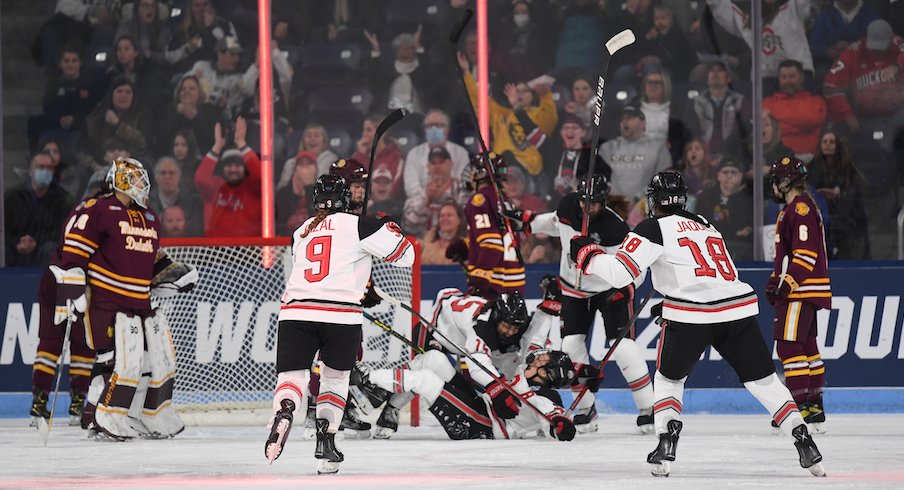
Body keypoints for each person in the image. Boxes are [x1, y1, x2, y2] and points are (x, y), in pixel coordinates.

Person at [569, 171, 825, 478]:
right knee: (765, 381)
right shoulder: (705, 223)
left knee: (668, 381)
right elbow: (712, 271)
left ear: (654, 200)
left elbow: (620, 274)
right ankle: (803, 439)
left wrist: (586, 253)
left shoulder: (652, 227)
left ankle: (666, 442)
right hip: (737, 309)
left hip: (690, 315)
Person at [264, 174, 415, 475]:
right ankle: (326, 443)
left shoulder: (301, 230)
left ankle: (285, 410)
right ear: (346, 198)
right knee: (333, 381)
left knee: (292, 377)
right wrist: (388, 226)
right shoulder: (361, 224)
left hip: (295, 311)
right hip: (340, 315)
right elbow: (405, 256)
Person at [55, 158, 197, 440]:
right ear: (118, 180)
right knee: (111, 358)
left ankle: (138, 414)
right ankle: (96, 416)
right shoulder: (99, 208)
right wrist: (70, 291)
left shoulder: (150, 216)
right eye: (133, 179)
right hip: (106, 299)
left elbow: (151, 259)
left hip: (139, 301)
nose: (141, 185)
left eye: (141, 178)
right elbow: (73, 254)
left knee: (148, 360)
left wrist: (173, 273)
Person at [504, 173, 655, 434]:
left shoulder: (614, 228)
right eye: (584, 202)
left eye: (594, 203)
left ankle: (649, 409)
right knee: (571, 347)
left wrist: (627, 288)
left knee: (623, 348)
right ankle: (586, 409)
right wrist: (526, 222)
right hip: (573, 290)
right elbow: (554, 224)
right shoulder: (568, 206)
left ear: (602, 201)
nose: (587, 208)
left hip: (608, 290)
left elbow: (636, 267)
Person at [358, 287, 572, 442]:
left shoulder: (544, 397)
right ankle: (380, 399)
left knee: (426, 379)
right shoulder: (487, 333)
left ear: (547, 375)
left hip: (479, 424)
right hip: (440, 332)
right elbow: (534, 340)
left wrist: (561, 426)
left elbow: (553, 414)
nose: (539, 357)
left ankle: (367, 379)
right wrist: (548, 309)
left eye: (545, 361)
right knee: (433, 359)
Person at [767, 157, 832, 434]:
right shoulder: (799, 208)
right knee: (806, 346)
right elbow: (787, 255)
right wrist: (775, 279)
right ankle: (814, 406)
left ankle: (798, 405)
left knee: (789, 347)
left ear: (784, 182)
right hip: (805, 288)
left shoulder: (800, 208)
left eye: (776, 179)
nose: (773, 184)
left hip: (800, 290)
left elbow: (805, 254)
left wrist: (786, 283)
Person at [459, 52, 557, 176]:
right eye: (516, 91)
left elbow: (549, 123)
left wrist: (546, 95)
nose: (518, 94)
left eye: (523, 91)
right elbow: (481, 103)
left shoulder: (538, 114)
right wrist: (467, 74)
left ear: (532, 95)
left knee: (507, 157)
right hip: (501, 167)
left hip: (528, 170)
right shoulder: (504, 115)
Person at [452, 153, 526, 299]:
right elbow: (502, 236)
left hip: (493, 285)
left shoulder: (479, 200)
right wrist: (469, 246)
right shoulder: (506, 200)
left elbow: (491, 244)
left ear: (481, 174)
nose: (471, 175)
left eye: (474, 170)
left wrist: (480, 280)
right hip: (514, 283)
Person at [823, 19, 904, 133]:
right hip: (865, 117)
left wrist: (897, 66)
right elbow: (831, 87)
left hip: (899, 114)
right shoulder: (853, 52)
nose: (876, 52)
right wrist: (847, 114)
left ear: (890, 40)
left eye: (881, 47)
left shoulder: (896, 42)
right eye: (874, 47)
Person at [808, 128, 870, 259]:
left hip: (846, 217)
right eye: (825, 141)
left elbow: (856, 191)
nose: (828, 144)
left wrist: (839, 192)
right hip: (821, 215)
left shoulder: (848, 168)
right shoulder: (813, 165)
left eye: (832, 142)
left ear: (838, 146)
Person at [195, 117, 263, 236]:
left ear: (244, 168)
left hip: (249, 250)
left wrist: (242, 144)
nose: (233, 169)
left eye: (237, 165)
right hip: (216, 250)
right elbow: (201, 179)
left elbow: (261, 177)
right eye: (229, 165)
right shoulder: (216, 186)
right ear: (222, 168)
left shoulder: (252, 187)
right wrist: (217, 146)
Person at [4, 152, 74, 267]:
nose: (45, 171)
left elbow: (62, 231)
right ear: (30, 171)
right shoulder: (13, 197)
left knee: (51, 248)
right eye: (40, 167)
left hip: (43, 250)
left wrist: (36, 242)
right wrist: (17, 242)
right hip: (15, 249)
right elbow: (4, 230)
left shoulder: (62, 199)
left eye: (49, 168)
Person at [599, 105, 672, 207]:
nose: (625, 121)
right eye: (622, 119)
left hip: (645, 207)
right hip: (613, 207)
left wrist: (639, 199)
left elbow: (663, 179)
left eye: (629, 118)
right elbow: (600, 178)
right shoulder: (607, 148)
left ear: (643, 123)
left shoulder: (658, 148)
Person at [683, 60, 751, 158]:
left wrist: (728, 153)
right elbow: (691, 132)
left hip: (734, 155)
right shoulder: (694, 103)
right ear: (707, 78)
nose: (715, 74)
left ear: (729, 78)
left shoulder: (742, 102)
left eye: (720, 71)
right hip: (703, 156)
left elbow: (743, 132)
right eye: (712, 71)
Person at [763, 60, 827, 160]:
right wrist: (801, 125)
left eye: (792, 76)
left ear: (801, 78)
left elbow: (812, 121)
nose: (788, 81)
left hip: (810, 159)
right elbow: (766, 130)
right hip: (776, 159)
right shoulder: (768, 103)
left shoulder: (816, 101)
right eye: (784, 77)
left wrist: (778, 125)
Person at [402, 109, 471, 201]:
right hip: (423, 202)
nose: (433, 129)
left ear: (447, 129)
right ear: (424, 130)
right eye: (429, 126)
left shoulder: (461, 153)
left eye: (438, 125)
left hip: (454, 203)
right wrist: (429, 194)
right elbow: (411, 188)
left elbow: (464, 184)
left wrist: (443, 195)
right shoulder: (414, 154)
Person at [695, 157, 754, 261]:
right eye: (725, 172)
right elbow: (705, 226)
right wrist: (736, 233)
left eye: (733, 172)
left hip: (742, 251)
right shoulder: (706, 197)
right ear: (718, 176)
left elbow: (748, 228)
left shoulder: (748, 199)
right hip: (711, 247)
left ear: (740, 176)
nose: (729, 176)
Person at [148, 156, 204, 237]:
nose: (167, 177)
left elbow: (197, 230)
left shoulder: (195, 202)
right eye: (163, 173)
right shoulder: (145, 204)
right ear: (156, 177)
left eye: (172, 173)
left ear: (179, 176)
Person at [275, 151, 317, 236]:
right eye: (301, 165)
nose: (305, 169)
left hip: (312, 237)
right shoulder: (284, 192)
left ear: (315, 169)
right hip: (286, 240)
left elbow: (316, 218)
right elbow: (280, 220)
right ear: (295, 169)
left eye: (308, 165)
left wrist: (309, 187)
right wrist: (295, 195)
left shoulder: (321, 193)